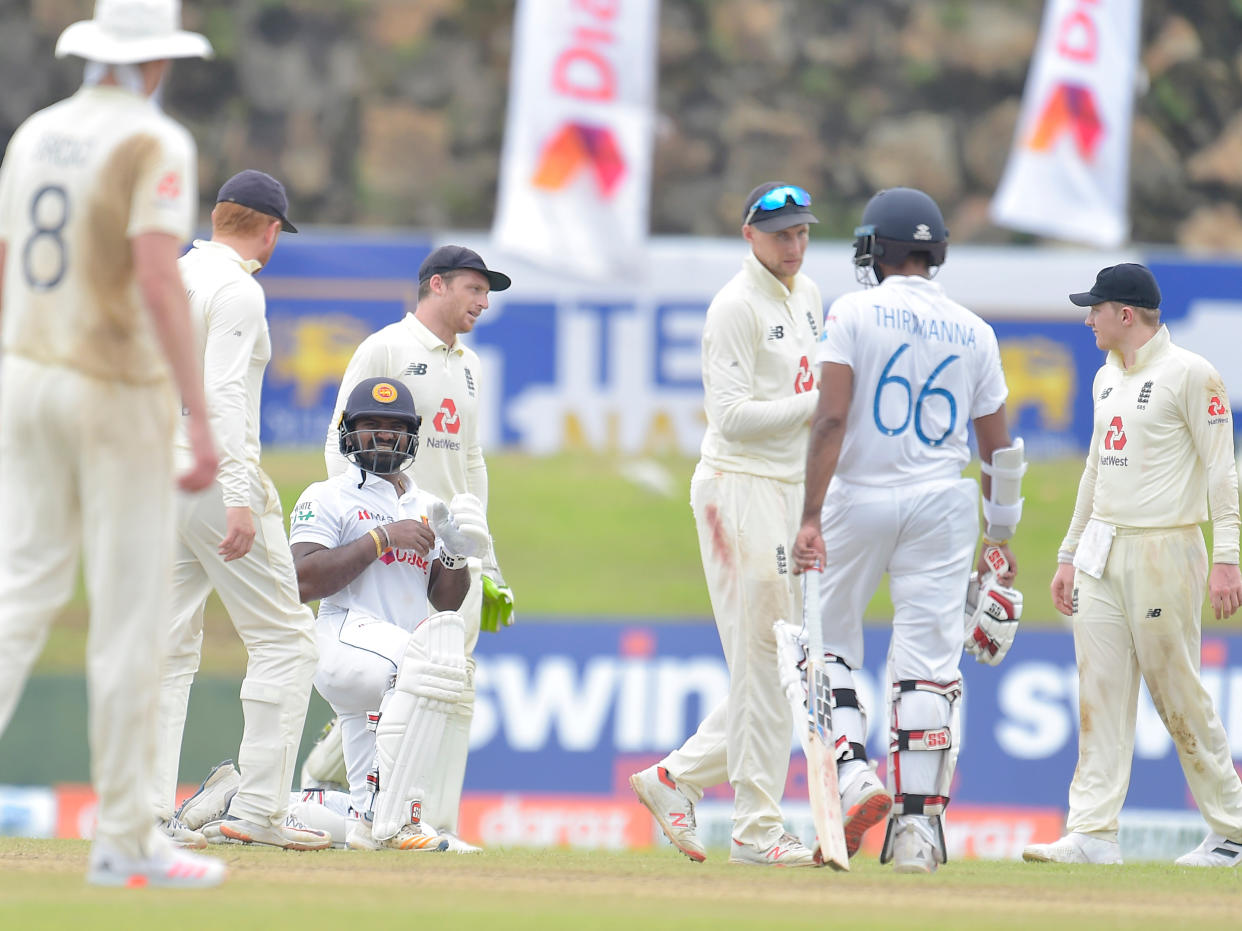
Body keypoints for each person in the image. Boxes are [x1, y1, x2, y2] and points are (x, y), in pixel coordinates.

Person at [0, 0, 224, 887]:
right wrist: (199, 414)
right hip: (114, 385)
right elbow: (157, 275)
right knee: (129, 615)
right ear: (158, 61)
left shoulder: (36, 133)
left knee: (19, 591)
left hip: (26, 373)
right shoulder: (151, 140)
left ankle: (129, 834)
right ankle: (127, 836)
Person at [791, 187, 1021, 874]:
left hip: (859, 492)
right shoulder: (975, 330)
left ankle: (856, 774)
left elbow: (830, 419)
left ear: (878, 251)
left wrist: (809, 512)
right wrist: (1000, 538)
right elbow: (999, 453)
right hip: (942, 503)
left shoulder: (853, 310)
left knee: (826, 643)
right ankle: (919, 832)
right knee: (927, 663)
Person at [629, 182, 824, 867]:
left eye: (801, 233)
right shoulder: (733, 307)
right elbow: (732, 416)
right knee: (767, 659)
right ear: (750, 234)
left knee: (772, 665)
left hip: (786, 488)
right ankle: (757, 828)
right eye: (781, 235)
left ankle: (675, 778)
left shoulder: (808, 294)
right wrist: (816, 403)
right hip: (735, 488)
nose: (794, 246)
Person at [1022, 263, 1242, 868]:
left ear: (1126, 314)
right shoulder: (1103, 378)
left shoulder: (1192, 375)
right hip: (1103, 546)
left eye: (1095, 308)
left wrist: (1228, 558)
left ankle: (1234, 831)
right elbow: (1095, 471)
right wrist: (1068, 554)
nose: (1087, 317)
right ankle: (1093, 833)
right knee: (1099, 690)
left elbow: (1223, 473)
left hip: (1166, 548)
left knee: (1176, 692)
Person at [301, 244, 514, 852]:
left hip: (449, 553)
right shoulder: (388, 347)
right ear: (437, 285)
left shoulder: (470, 364)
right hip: (389, 547)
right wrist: (364, 517)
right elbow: (341, 441)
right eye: (475, 288)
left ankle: (435, 822)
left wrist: (484, 557)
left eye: (488, 291)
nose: (483, 301)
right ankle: (349, 786)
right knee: (416, 678)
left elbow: (471, 460)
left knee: (453, 687)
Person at [150, 170, 327, 852]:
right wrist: (236, 495)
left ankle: (144, 815)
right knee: (286, 639)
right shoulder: (238, 289)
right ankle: (256, 807)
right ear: (270, 229)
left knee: (164, 649)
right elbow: (223, 395)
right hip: (211, 477)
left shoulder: (172, 275)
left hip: (157, 475)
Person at [283, 376, 487, 851]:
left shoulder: (426, 505)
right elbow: (302, 580)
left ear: (412, 434)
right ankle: (407, 822)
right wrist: (381, 538)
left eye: (393, 426)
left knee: (364, 819)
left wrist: (455, 555)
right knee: (432, 663)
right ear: (348, 432)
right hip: (344, 638)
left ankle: (254, 805)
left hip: (396, 656)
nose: (382, 434)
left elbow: (447, 601)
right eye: (369, 424)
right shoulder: (326, 495)